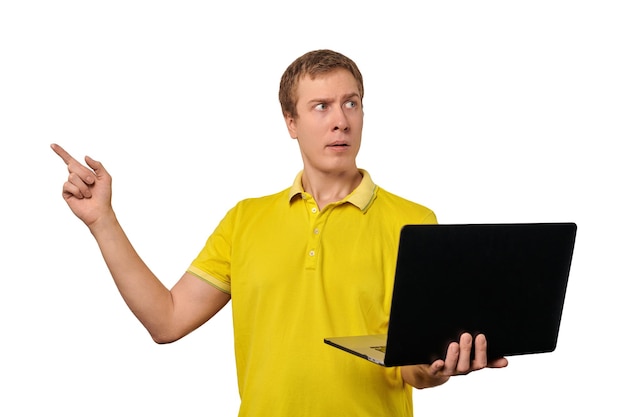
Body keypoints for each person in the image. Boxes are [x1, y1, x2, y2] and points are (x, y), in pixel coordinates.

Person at [52, 49, 508, 416]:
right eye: (321, 106)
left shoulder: (414, 221)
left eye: (351, 103)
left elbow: (413, 367)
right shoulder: (245, 220)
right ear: (291, 123)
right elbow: (166, 320)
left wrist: (437, 369)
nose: (340, 120)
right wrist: (102, 221)